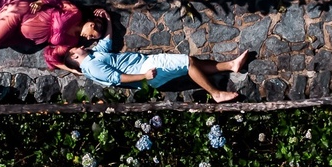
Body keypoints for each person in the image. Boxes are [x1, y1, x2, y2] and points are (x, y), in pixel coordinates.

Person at [66, 29, 248, 103]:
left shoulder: (93, 56)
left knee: (191, 62)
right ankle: (216, 94)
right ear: (74, 56)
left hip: (146, 64)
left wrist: (105, 18)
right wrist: (144, 76)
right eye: (77, 48)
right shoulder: (91, 66)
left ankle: (231, 65)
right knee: (188, 62)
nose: (82, 46)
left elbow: (106, 41)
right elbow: (116, 78)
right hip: (145, 70)